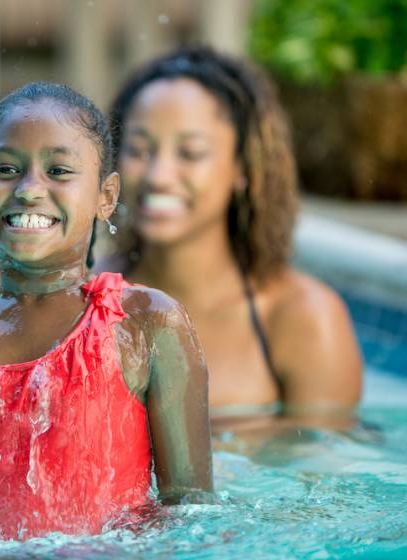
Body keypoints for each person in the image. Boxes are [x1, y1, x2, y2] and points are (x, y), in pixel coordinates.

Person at [0, 82, 212, 540]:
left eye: (59, 171)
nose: (28, 190)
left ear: (106, 196)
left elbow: (189, 512)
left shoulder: (146, 323)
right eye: (6, 169)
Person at [107, 46, 363, 431]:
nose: (159, 175)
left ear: (243, 167)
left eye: (190, 153)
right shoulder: (82, 300)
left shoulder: (304, 319)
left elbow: (330, 464)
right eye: (138, 150)